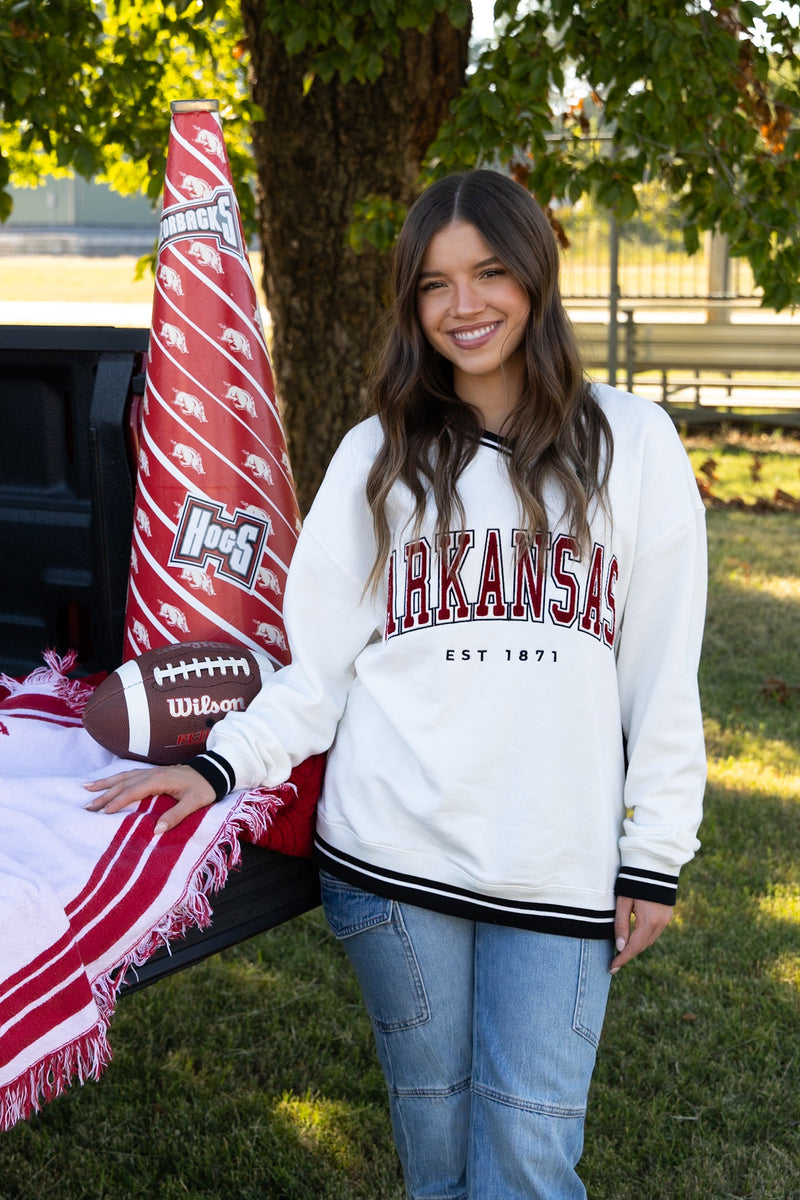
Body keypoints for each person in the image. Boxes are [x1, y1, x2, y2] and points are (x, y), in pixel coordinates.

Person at [85, 169, 707, 1199]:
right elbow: (315, 673)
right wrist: (217, 762)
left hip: (554, 868)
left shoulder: (630, 446)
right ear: (410, 305)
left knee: (526, 1165)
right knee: (438, 1165)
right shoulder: (376, 456)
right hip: (392, 863)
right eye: (433, 284)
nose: (463, 307)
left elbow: (663, 677)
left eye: (489, 273)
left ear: (536, 277)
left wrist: (652, 856)